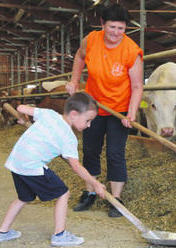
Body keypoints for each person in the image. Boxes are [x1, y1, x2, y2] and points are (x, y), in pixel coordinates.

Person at [66, 3, 143, 217]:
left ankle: (116, 198)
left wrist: (132, 113)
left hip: (119, 109)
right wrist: (74, 81)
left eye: (121, 28)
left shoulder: (131, 51)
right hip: (93, 106)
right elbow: (80, 57)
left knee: (115, 153)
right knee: (90, 149)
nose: (116, 33)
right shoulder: (91, 40)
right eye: (112, 27)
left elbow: (137, 86)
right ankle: (90, 191)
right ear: (102, 24)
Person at [0, 92, 106, 246]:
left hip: (17, 162)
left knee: (24, 197)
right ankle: (60, 235)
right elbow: (76, 166)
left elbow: (21, 107)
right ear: (74, 114)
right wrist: (95, 184)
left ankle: (3, 232)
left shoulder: (49, 114)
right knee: (64, 193)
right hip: (32, 165)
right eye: (88, 120)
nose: (89, 125)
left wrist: (25, 119)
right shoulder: (69, 138)